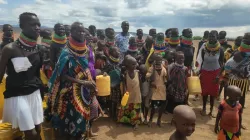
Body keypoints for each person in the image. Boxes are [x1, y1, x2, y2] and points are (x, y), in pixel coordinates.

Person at [46, 22, 97, 139]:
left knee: (83, 118)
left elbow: (87, 69)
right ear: (71, 33)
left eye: (83, 31)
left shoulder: (86, 50)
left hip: (84, 91)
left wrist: (91, 84)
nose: (82, 33)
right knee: (69, 121)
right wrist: (83, 82)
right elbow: (62, 75)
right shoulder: (66, 52)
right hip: (68, 92)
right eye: (79, 31)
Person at [0, 12, 43, 140]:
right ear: (21, 26)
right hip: (16, 95)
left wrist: (41, 92)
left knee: (38, 129)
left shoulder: (39, 49)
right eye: (32, 24)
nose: (37, 27)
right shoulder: (9, 49)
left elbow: (36, 74)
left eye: (38, 25)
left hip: (34, 93)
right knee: (31, 134)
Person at [196, 30, 224, 117]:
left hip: (215, 73)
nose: (211, 38)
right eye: (210, 36)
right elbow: (202, 61)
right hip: (205, 72)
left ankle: (211, 110)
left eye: (213, 36)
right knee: (204, 92)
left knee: (212, 93)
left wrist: (218, 76)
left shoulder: (220, 49)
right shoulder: (204, 48)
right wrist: (199, 71)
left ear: (217, 37)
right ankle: (204, 108)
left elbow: (222, 63)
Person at [117, 55, 141, 130]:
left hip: (136, 94)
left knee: (136, 109)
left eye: (135, 63)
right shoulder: (125, 74)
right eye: (133, 64)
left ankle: (136, 123)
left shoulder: (138, 73)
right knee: (125, 108)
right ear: (127, 65)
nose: (135, 65)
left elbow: (139, 84)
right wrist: (124, 93)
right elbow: (124, 84)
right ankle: (123, 121)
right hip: (127, 94)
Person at [101, 46, 121, 121]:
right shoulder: (108, 62)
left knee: (117, 100)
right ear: (111, 53)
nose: (118, 52)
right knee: (110, 100)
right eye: (116, 51)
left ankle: (115, 113)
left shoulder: (120, 61)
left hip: (118, 84)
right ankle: (111, 114)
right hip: (110, 85)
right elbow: (103, 71)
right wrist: (105, 73)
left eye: (118, 51)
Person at [146, 54, 167, 127]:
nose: (159, 61)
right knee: (154, 107)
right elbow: (147, 77)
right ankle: (150, 120)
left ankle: (159, 120)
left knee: (162, 106)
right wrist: (151, 81)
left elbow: (165, 77)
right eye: (157, 60)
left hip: (162, 89)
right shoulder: (152, 68)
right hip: (155, 90)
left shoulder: (163, 68)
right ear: (155, 60)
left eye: (160, 60)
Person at [176, 28, 195, 104]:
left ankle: (186, 100)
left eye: (191, 32)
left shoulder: (192, 47)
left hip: (188, 69)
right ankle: (178, 101)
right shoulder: (179, 47)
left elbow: (192, 59)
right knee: (179, 85)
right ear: (183, 35)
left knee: (187, 85)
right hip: (179, 69)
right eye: (188, 32)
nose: (190, 34)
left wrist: (193, 69)